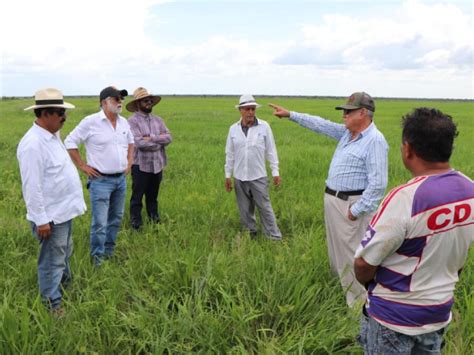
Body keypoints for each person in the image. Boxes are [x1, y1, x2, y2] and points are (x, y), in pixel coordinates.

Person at [354, 107, 473, 354]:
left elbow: (364, 264)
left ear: (408, 149)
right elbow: (459, 253)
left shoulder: (405, 198)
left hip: (393, 317)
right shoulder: (469, 190)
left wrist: (365, 282)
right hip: (438, 312)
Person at [270, 92, 388, 306]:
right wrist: (291, 115)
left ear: (363, 113)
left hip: (351, 205)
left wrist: (356, 210)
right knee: (336, 253)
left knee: (352, 256)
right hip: (335, 202)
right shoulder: (347, 134)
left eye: (348, 111)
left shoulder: (374, 141)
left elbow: (378, 184)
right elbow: (320, 125)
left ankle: (359, 307)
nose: (344, 115)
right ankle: (342, 294)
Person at [17, 88, 86, 314]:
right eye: (60, 113)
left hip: (63, 211)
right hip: (51, 217)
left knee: (64, 255)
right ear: (45, 114)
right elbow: (32, 186)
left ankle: (63, 289)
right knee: (52, 261)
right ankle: (52, 305)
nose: (64, 118)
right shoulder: (33, 144)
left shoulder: (53, 136)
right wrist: (41, 220)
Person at [64, 86, 134, 265]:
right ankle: (97, 258)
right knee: (100, 223)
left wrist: (130, 161)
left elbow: (131, 142)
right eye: (116, 99)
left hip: (120, 180)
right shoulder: (91, 122)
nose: (120, 103)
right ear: (104, 102)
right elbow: (70, 141)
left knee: (116, 218)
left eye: (121, 99)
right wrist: (82, 165)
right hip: (100, 181)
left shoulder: (124, 122)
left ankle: (109, 252)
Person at [225, 94, 282, 240]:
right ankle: (250, 235)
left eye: (253, 109)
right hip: (239, 177)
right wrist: (228, 176)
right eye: (247, 109)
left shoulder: (264, 127)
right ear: (240, 111)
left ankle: (274, 238)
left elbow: (271, 150)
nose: (250, 112)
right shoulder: (233, 129)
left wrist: (275, 172)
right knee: (245, 210)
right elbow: (230, 154)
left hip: (258, 176)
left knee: (265, 208)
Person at [126, 87, 172, 229]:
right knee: (137, 196)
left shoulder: (158, 120)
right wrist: (159, 142)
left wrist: (151, 138)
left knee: (153, 196)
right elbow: (139, 142)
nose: (149, 102)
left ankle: (154, 220)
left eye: (150, 100)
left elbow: (169, 138)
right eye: (145, 100)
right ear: (138, 103)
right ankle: (136, 223)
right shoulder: (132, 121)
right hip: (140, 165)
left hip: (157, 165)